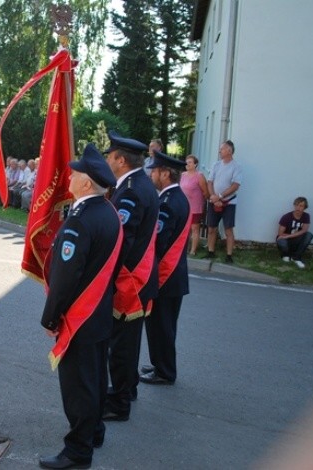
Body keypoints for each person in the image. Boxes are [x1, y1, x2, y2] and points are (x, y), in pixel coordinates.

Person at [39, 143, 122, 470]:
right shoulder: (109, 212)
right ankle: (95, 431)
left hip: (81, 317)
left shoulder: (79, 220)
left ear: (87, 184)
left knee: (78, 388)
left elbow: (65, 277)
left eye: (75, 174)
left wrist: (50, 317)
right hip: (100, 313)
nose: (69, 177)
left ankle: (77, 452)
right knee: (96, 380)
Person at [102, 130, 159, 418]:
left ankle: (119, 403)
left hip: (130, 280)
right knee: (129, 341)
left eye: (110, 157)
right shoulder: (138, 183)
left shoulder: (132, 191)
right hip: (138, 278)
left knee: (121, 346)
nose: (108, 161)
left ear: (121, 160)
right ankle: (130, 388)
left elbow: (122, 240)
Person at [139, 153, 190, 386]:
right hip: (174, 276)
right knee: (165, 325)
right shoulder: (177, 198)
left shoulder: (168, 203)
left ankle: (165, 372)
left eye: (155, 171)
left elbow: (159, 241)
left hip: (166, 275)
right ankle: (161, 364)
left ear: (166, 174)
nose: (151, 175)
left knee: (162, 326)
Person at [205, 140, 243, 263]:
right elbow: (210, 182)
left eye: (222, 149)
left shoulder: (236, 167)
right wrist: (213, 197)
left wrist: (220, 196)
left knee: (228, 229)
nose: (219, 151)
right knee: (211, 228)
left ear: (229, 151)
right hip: (214, 201)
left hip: (229, 202)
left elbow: (235, 185)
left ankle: (229, 255)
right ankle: (210, 252)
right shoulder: (216, 165)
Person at [180, 154, 209, 256]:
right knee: (185, 229)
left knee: (195, 228)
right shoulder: (183, 175)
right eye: (186, 162)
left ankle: (193, 250)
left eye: (190, 162)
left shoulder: (199, 176)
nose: (187, 164)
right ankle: (184, 248)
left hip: (195, 207)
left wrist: (202, 201)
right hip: (184, 207)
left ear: (195, 164)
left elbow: (205, 192)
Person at [276, 197, 313, 269]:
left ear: (305, 207)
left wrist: (289, 236)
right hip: (285, 239)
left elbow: (304, 230)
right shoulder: (286, 217)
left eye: (301, 206)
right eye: (296, 205)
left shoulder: (306, 216)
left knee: (309, 235)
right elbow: (280, 233)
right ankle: (285, 255)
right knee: (281, 241)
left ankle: (296, 257)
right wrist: (288, 237)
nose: (298, 208)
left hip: (294, 239)